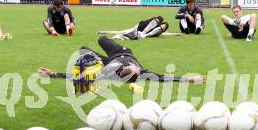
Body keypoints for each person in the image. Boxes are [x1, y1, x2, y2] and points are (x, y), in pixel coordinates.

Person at [38, 36, 205, 83]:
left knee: (84, 49)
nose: (138, 68)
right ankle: (125, 36)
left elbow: (81, 78)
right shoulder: (143, 74)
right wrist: (190, 79)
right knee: (98, 42)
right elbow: (165, 77)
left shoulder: (109, 73)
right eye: (137, 69)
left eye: (134, 69)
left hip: (111, 58)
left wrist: (53, 75)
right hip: (122, 52)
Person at [97, 16, 182, 40]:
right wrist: (104, 31)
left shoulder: (156, 28)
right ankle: (144, 34)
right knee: (159, 18)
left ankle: (144, 34)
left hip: (148, 34)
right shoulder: (139, 26)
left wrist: (175, 34)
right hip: (140, 30)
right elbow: (120, 31)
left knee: (166, 24)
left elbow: (163, 33)